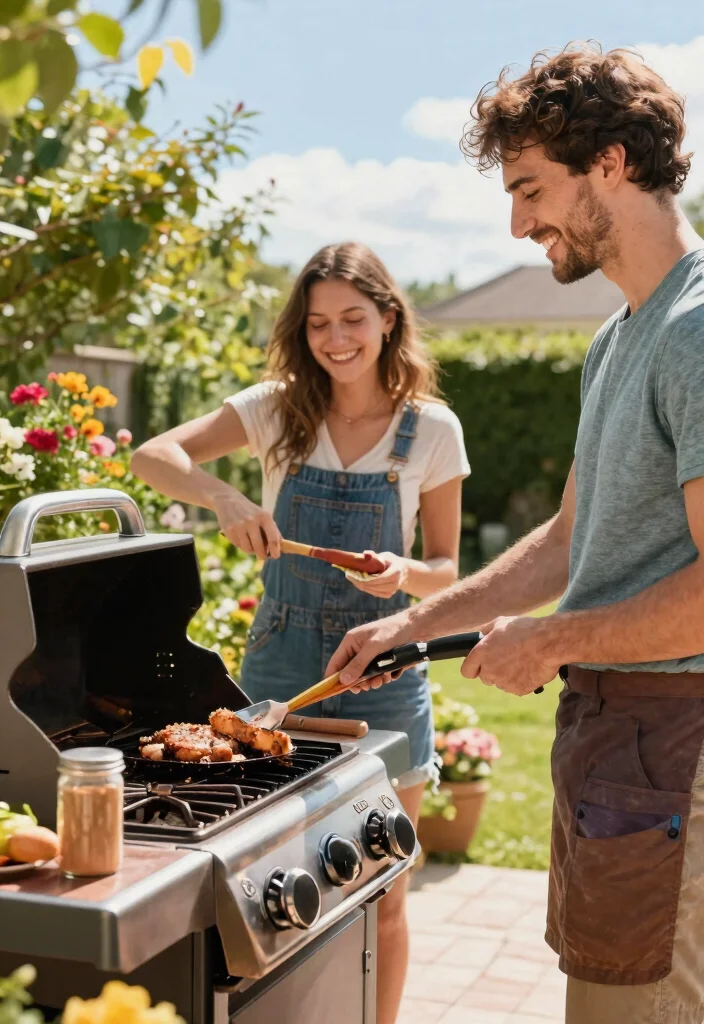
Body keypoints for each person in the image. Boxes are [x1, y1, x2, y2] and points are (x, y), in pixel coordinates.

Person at [327, 45, 704, 1024]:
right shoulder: (618, 337)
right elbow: (564, 538)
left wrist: (549, 639)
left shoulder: (695, 329)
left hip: (675, 751)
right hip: (616, 746)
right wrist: (413, 626)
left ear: (611, 164)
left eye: (531, 187)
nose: (515, 221)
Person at [131, 241, 470, 1024]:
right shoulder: (277, 406)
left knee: (384, 891)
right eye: (318, 322)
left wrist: (402, 573)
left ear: (388, 319)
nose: (336, 338)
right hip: (280, 669)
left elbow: (448, 569)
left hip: (386, 674)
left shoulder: (432, 430)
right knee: (270, 891)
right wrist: (220, 496)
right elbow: (156, 454)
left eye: (354, 318)